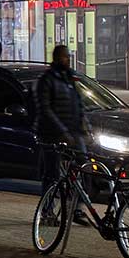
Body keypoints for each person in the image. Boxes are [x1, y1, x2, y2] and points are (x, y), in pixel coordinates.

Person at [33, 43, 86, 193]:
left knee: (82, 167)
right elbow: (45, 109)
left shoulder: (69, 78)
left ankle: (75, 208)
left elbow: (79, 103)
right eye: (65, 57)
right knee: (52, 174)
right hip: (51, 135)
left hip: (72, 131)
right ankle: (47, 211)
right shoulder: (47, 80)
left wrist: (84, 127)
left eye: (68, 56)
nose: (68, 59)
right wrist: (62, 131)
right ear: (57, 58)